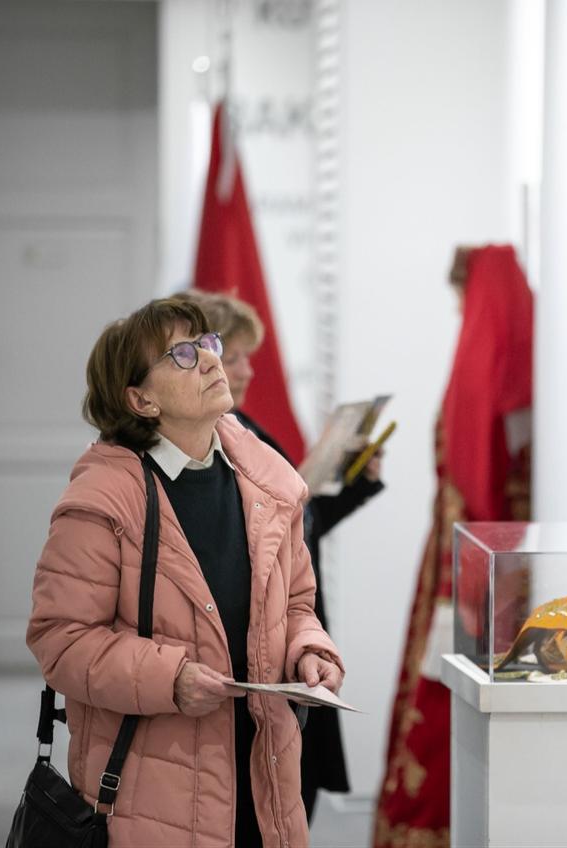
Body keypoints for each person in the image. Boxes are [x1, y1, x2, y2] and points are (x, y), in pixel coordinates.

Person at [26, 296, 344, 846]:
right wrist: (169, 679)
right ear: (141, 399)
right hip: (153, 791)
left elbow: (295, 603)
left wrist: (309, 650)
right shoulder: (102, 500)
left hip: (264, 775)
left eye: (208, 344)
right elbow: (61, 640)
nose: (210, 360)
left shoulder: (266, 480)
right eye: (182, 354)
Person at [178, 289, 384, 825]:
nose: (245, 370)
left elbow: (298, 532)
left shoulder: (246, 435)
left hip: (291, 645)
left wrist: (356, 482)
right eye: (233, 356)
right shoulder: (213, 448)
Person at [373, 245, 533, 848]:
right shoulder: (507, 363)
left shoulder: (483, 368)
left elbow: (475, 484)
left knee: (452, 705)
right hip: (481, 548)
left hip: (473, 554)